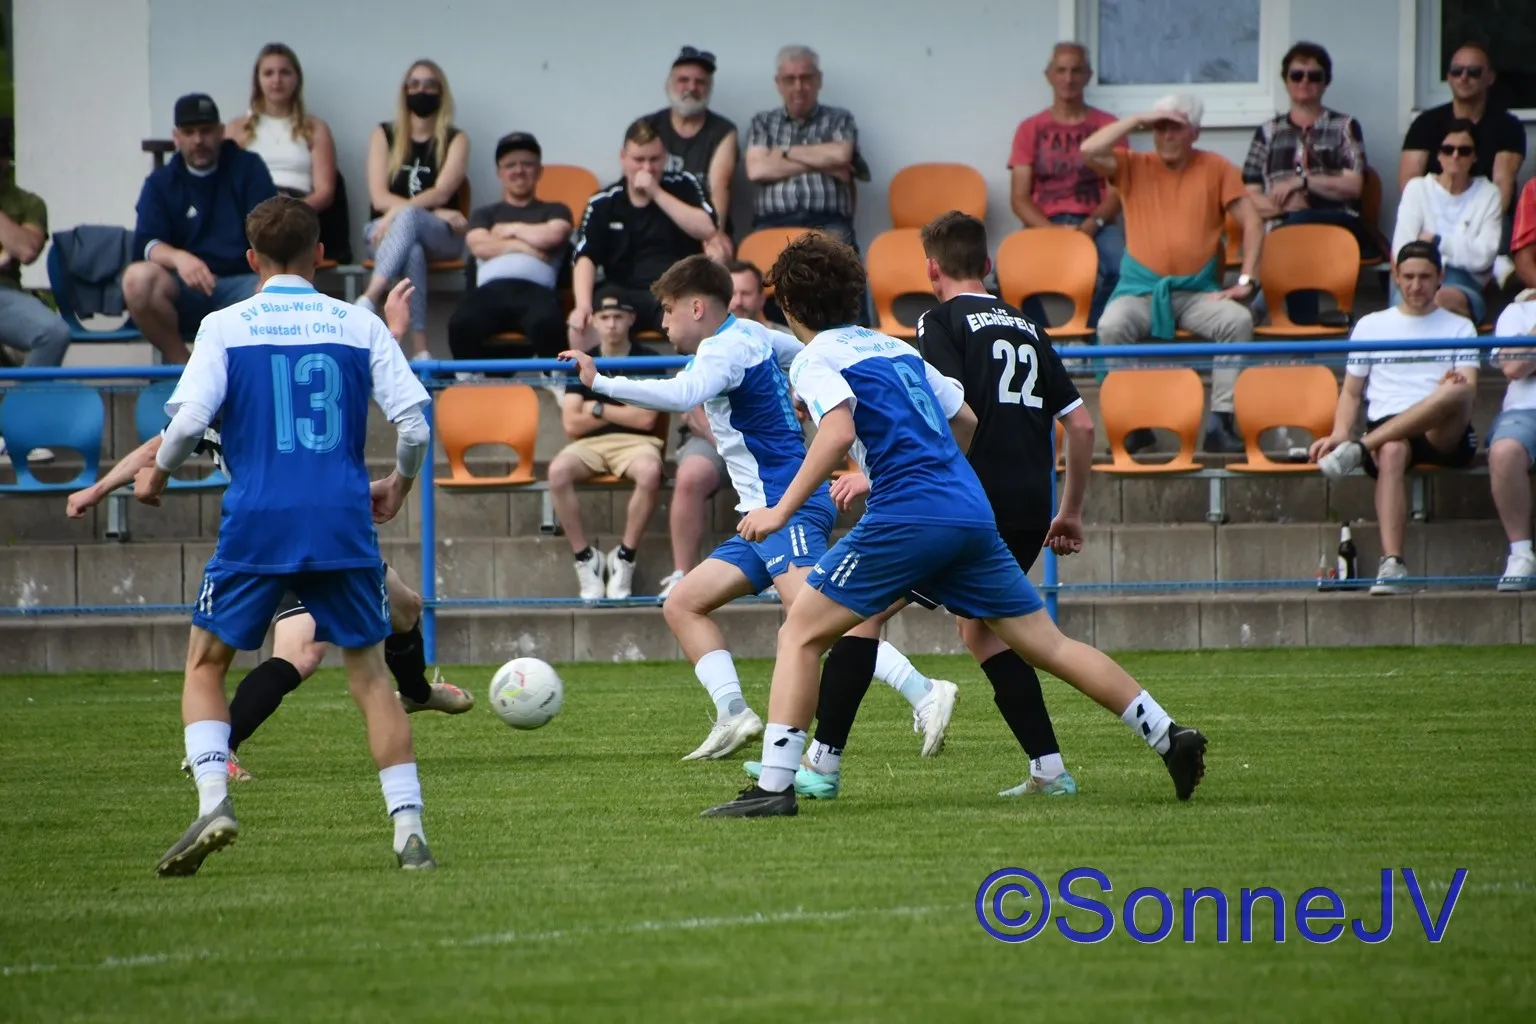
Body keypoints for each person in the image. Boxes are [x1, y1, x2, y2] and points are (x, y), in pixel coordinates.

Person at [698, 232, 1207, 818]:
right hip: (968, 508)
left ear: (787, 305)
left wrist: (779, 511)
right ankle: (1168, 734)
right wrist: (942, 478)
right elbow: (963, 417)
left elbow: (837, 433)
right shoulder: (895, 347)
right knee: (1049, 645)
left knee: (799, 634)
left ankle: (776, 786)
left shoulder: (817, 356)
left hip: (907, 514)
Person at [742, 211, 1095, 800]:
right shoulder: (1028, 325)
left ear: (932, 269)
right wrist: (1070, 509)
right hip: (1022, 498)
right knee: (990, 634)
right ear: (988, 263)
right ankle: (1070, 761)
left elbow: (922, 414)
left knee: (849, 617)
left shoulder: (937, 322)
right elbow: (1077, 425)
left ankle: (819, 765)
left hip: (940, 503)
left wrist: (876, 475)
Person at [140, 195, 437, 874]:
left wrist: (156, 477)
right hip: (341, 519)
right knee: (371, 678)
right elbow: (415, 425)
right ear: (321, 255)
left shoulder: (224, 324)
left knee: (206, 664)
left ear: (252, 259)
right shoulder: (357, 323)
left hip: (258, 520)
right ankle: (408, 829)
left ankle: (214, 800)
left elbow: (186, 426)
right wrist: (399, 484)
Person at [560, 254, 957, 763]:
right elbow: (808, 353)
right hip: (762, 514)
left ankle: (924, 691)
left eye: (668, 309)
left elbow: (683, 394)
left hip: (784, 506)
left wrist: (599, 381)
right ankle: (734, 714)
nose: (663, 322)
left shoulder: (722, 348)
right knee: (682, 603)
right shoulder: (753, 333)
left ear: (697, 307)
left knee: (816, 618)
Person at [66, 412, 472, 785]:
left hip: (322, 529)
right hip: (283, 536)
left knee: (406, 608)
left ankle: (417, 694)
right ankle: (218, 751)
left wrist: (100, 490)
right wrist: (98, 490)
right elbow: (157, 448)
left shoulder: (253, 394)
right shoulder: (215, 407)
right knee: (300, 653)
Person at [1081, 93, 1261, 454]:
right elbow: (1089, 150)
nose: (1166, 135)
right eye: (1159, 127)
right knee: (1110, 326)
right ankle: (1131, 425)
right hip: (1139, 292)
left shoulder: (1216, 167)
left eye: (1175, 128)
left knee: (1238, 321)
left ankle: (1221, 423)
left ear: (1195, 132)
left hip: (1198, 293)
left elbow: (1253, 222)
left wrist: (1246, 280)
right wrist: (1138, 120)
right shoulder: (1132, 164)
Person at [1311, 241, 1479, 596]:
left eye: (1425, 277)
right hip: (1389, 429)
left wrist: (1448, 390)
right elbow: (1351, 392)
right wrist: (1340, 433)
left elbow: (1470, 390)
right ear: (1397, 277)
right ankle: (1392, 564)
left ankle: (1360, 449)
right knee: (1390, 450)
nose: (1416, 285)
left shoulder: (1460, 327)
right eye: (1409, 277)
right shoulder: (1371, 326)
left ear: (1440, 278)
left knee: (1458, 391)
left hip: (1442, 427)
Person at [123, 93, 277, 364]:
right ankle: (183, 368)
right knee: (136, 280)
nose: (198, 140)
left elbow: (271, 230)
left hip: (243, 283)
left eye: (205, 131)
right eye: (189, 132)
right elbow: (146, 243)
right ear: (176, 137)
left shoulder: (248, 168)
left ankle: (248, 377)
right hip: (184, 290)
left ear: (221, 132)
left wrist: (265, 274)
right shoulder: (160, 182)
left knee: (277, 286)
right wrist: (179, 258)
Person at [550, 289, 668, 601]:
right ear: (595, 321)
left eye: (618, 316)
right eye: (605, 317)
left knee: (650, 472)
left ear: (631, 319)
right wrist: (624, 412)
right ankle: (585, 559)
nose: (612, 323)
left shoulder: (650, 359)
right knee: (557, 471)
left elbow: (646, 420)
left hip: (637, 443)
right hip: (590, 445)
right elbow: (571, 424)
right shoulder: (581, 359)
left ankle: (625, 557)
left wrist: (597, 408)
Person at [1243, 40, 1377, 309]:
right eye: (1297, 75)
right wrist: (1283, 210)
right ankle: (1296, 327)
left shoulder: (1345, 126)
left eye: (1314, 76)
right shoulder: (1267, 132)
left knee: (1294, 232)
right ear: (1286, 81)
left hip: (1338, 222)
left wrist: (1303, 182)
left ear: (1325, 83)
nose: (1305, 81)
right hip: (1280, 225)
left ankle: (1263, 308)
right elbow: (1249, 192)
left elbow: (1354, 186)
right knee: (1292, 231)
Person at [568, 119, 716, 350]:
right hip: (621, 293)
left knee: (699, 322)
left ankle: (698, 375)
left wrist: (655, 192)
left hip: (675, 291)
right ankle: (586, 376)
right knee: (582, 327)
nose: (647, 168)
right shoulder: (603, 202)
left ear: (664, 157)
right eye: (639, 160)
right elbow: (585, 257)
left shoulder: (685, 184)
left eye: (654, 159)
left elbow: (707, 228)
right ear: (623, 158)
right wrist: (583, 306)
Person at [358, 59, 470, 360]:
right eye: (415, 84)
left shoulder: (456, 139)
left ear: (441, 92)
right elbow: (379, 198)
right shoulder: (384, 134)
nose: (422, 91)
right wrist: (429, 211)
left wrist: (401, 214)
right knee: (413, 251)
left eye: (430, 85)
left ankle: (370, 296)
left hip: (441, 234)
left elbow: (443, 191)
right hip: (382, 232)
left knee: (408, 217)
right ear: (404, 91)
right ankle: (421, 350)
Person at [1007, 41, 1124, 326]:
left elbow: (1117, 192)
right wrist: (1052, 233)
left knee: (1123, 269)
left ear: (1088, 76)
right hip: (1044, 223)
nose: (1068, 79)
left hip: (1096, 224)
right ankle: (1042, 340)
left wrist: (1091, 225)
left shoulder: (1108, 127)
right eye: (1061, 70)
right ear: (1049, 75)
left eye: (1076, 71)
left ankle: (1089, 338)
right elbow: (1019, 198)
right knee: (1007, 272)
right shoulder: (1030, 128)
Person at [448, 132, 573, 362]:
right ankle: (469, 380)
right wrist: (527, 248)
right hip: (489, 292)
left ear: (539, 171)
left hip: (537, 292)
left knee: (549, 323)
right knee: (460, 324)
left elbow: (553, 236)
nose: (519, 170)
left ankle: (553, 378)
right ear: (500, 173)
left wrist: (509, 230)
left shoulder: (556, 210)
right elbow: (479, 246)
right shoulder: (485, 214)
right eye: (510, 165)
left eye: (527, 164)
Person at [226, 43, 346, 261]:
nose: (277, 80)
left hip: (298, 211)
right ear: (257, 80)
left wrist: (288, 212)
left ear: (297, 78)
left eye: (284, 72)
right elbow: (226, 187)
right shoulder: (237, 129)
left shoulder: (316, 129)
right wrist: (263, 216)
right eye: (268, 73)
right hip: (251, 214)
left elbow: (325, 191)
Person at [744, 45, 864, 246]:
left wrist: (783, 151)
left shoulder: (840, 119)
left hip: (829, 222)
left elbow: (841, 156)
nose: (798, 87)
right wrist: (825, 163)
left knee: (838, 260)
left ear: (819, 80)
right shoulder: (762, 122)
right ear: (778, 83)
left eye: (806, 78)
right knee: (760, 259)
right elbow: (757, 170)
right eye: (789, 80)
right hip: (773, 222)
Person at [0, 125, 71, 457]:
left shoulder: (27, 203)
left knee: (53, 331)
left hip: (5, 294)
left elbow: (26, 249)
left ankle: (16, 429)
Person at [1391, 119, 1502, 324]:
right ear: (1438, 154)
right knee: (1417, 303)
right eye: (1448, 149)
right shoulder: (1417, 189)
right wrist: (1463, 249)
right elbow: (1402, 251)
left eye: (1464, 151)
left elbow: (1484, 256)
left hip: (1464, 283)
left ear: (1475, 156)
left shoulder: (1489, 194)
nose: (1455, 156)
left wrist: (1437, 241)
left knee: (1438, 300)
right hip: (1415, 278)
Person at [1398, 43, 1525, 222]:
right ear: (1448, 77)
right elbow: (1410, 183)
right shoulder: (1424, 123)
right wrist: (1431, 222)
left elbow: (1502, 185)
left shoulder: (1508, 126)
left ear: (1490, 78)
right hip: (1433, 216)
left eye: (1474, 72)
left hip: (1488, 217)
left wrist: (1479, 226)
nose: (1464, 77)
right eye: (1457, 71)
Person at [643, 46, 737, 262]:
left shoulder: (723, 131)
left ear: (709, 88)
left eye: (700, 82)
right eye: (683, 80)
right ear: (668, 84)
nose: (692, 87)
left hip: (702, 230)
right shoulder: (648, 127)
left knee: (718, 256)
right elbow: (636, 184)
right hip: (655, 228)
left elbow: (720, 186)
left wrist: (716, 234)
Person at [1484, 294, 1536, 591]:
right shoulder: (1517, 312)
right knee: (1504, 451)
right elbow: (1514, 368)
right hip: (1525, 411)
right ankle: (1521, 554)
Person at [727, 259, 793, 334]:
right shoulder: (715, 338)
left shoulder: (786, 338)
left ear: (762, 298)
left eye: (746, 294)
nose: (738, 301)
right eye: (732, 293)